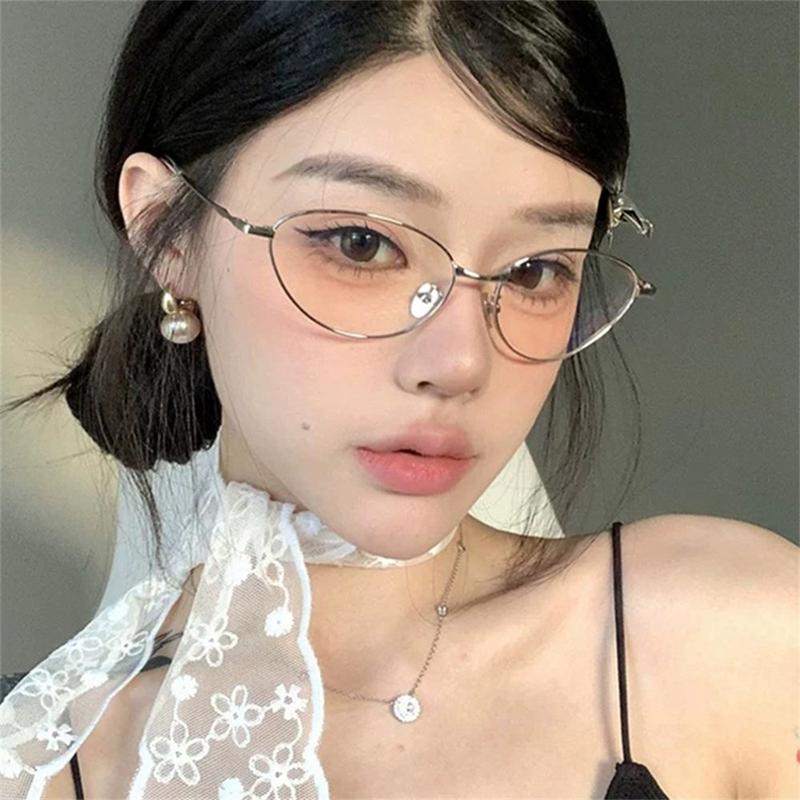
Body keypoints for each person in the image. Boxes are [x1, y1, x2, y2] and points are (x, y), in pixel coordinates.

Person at [1, 2, 796, 799]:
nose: (461, 363)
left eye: (534, 270)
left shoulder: (732, 636)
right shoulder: (44, 760)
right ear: (165, 232)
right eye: (362, 244)